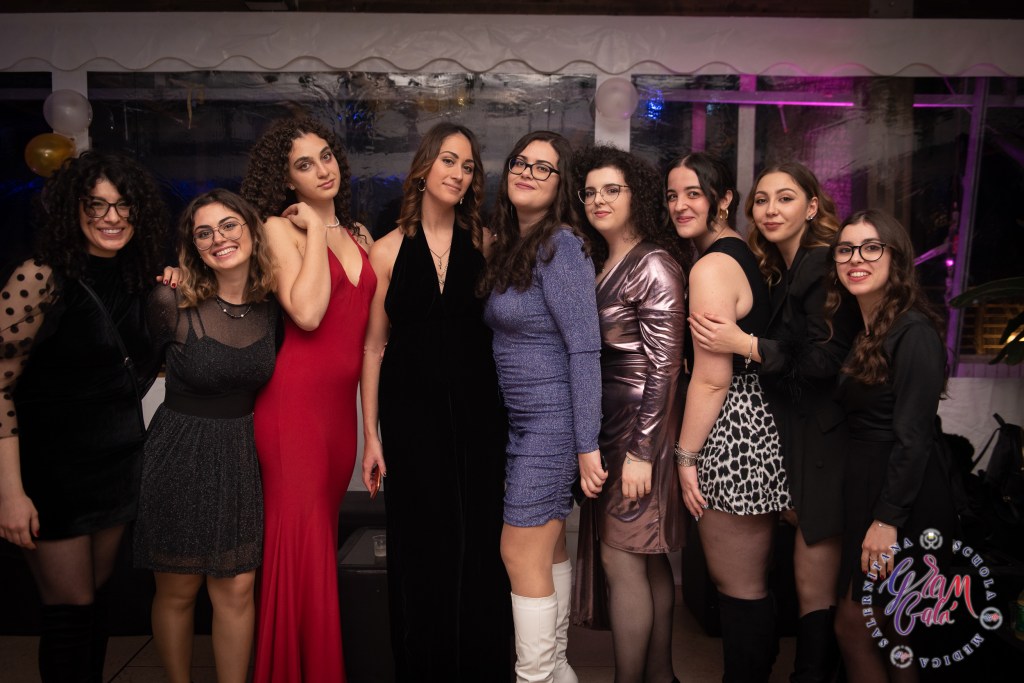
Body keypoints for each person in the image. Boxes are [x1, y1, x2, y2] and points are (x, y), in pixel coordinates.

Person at [687, 162, 861, 681]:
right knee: (806, 586)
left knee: (815, 589)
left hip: (828, 440)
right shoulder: (782, 268)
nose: (770, 210)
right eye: (761, 200)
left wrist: (743, 344)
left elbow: (825, 359)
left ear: (812, 207)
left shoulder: (820, 263)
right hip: (802, 438)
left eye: (785, 198)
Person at [0, 151, 168, 682]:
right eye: (96, 205)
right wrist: (10, 492)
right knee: (69, 613)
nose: (110, 217)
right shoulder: (40, 277)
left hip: (115, 466)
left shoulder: (138, 279)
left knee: (95, 607)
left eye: (122, 205)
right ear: (73, 210)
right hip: (54, 473)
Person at [360, 122, 512, 680]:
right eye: (449, 160)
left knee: (480, 546)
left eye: (468, 166)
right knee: (420, 546)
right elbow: (374, 347)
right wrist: (371, 435)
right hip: (410, 420)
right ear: (424, 167)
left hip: (480, 417)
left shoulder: (486, 243)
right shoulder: (385, 251)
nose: (458, 173)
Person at [240, 116, 376, 682]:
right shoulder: (278, 229)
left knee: (317, 544)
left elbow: (370, 339)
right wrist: (317, 232)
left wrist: (372, 431)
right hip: (292, 408)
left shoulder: (359, 234)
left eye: (326, 156)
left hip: (337, 417)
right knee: (299, 547)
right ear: (286, 179)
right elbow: (308, 312)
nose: (323, 170)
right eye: (304, 164)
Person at [134, 189, 278, 683]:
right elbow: (130, 376)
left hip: (240, 457)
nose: (219, 238)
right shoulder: (169, 300)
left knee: (236, 589)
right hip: (178, 453)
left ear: (252, 230)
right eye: (204, 232)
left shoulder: (273, 306)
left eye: (229, 225)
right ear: (193, 247)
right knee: (178, 590)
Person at [481, 130, 606, 683]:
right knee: (548, 548)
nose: (528, 173)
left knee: (518, 552)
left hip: (552, 426)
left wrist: (586, 444)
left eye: (543, 167)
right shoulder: (517, 243)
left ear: (561, 185)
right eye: (520, 162)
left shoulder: (562, 246)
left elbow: (585, 348)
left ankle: (534, 677)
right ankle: (557, 672)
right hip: (524, 425)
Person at [668, 152, 790, 682]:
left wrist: (685, 457)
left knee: (739, 585)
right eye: (672, 195)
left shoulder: (712, 266)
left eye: (693, 193)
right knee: (747, 582)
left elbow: (712, 377)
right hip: (751, 421)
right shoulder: (739, 252)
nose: (679, 205)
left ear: (723, 200)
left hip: (734, 429)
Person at [573, 145, 688, 683]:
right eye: (590, 192)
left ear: (635, 195)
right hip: (617, 429)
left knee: (621, 559)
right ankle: (660, 676)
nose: (598, 200)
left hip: (642, 432)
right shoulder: (605, 261)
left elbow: (666, 367)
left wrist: (643, 452)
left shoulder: (654, 263)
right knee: (646, 556)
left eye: (611, 189)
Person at [825, 210, 956, 681]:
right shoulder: (867, 329)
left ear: (895, 258)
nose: (855, 258)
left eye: (870, 247)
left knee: (856, 628)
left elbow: (914, 437)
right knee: (897, 634)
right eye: (845, 249)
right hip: (872, 489)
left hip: (901, 499)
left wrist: (887, 520)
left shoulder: (913, 331)